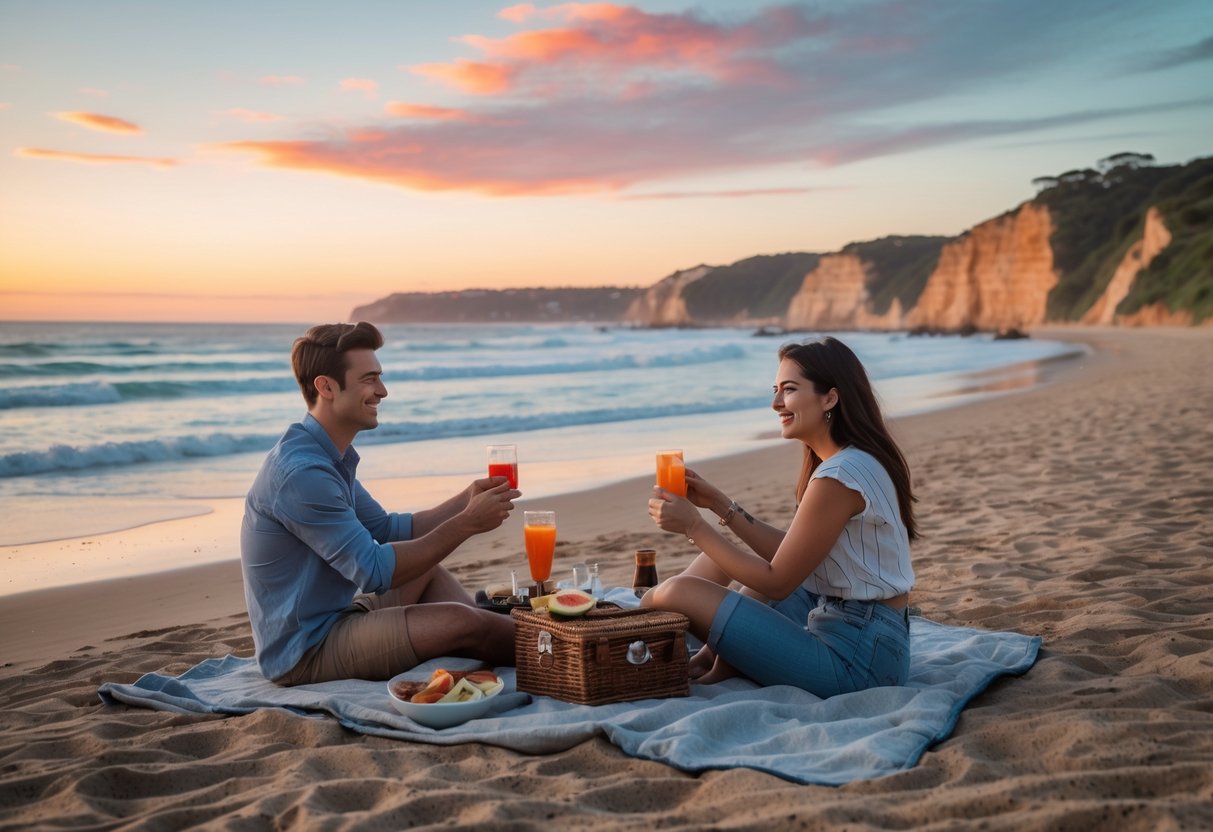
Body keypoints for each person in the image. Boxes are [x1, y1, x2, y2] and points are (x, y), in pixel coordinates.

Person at [240, 321, 520, 685]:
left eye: (380, 377)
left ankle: (506, 640)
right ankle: (555, 650)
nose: (383, 391)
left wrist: (465, 500)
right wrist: (466, 523)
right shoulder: (302, 474)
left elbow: (389, 530)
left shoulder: (325, 456)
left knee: (433, 575)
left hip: (338, 617)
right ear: (325, 386)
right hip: (305, 650)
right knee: (462, 621)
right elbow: (374, 572)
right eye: (369, 379)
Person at [643, 337, 917, 697]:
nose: (775, 403)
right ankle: (671, 626)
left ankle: (644, 617)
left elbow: (778, 582)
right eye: (776, 390)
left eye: (788, 390)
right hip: (865, 629)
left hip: (857, 661)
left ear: (830, 398)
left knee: (680, 590)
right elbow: (788, 555)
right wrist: (720, 504)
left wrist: (694, 525)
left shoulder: (838, 478)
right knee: (719, 565)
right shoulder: (853, 460)